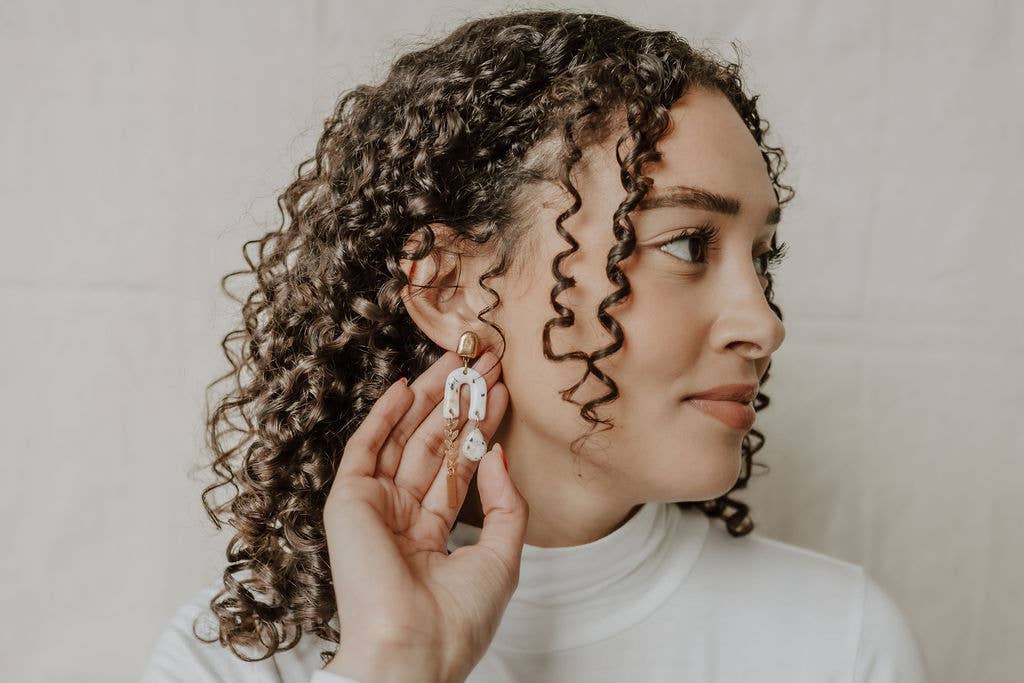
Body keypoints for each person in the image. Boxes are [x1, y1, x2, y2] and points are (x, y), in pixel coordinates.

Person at [141, 9, 929, 683]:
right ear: (450, 289)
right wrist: (392, 663)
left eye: (762, 258)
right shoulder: (241, 659)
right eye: (688, 244)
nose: (764, 324)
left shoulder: (837, 643)